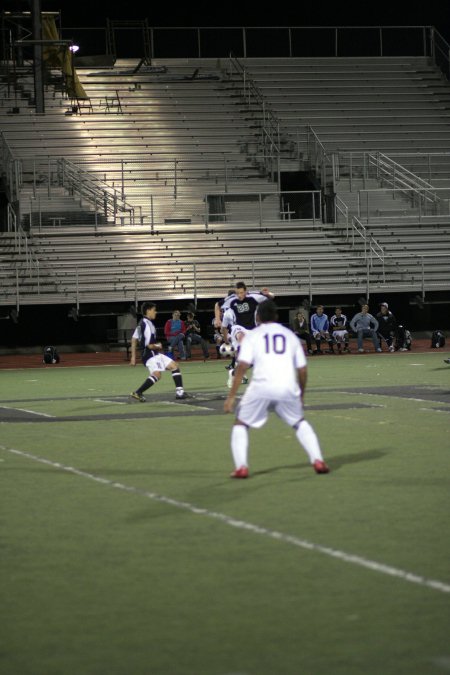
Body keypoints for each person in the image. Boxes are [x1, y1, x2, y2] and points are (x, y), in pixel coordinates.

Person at [224, 299, 330, 478]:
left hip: (261, 387)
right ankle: (318, 460)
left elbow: (242, 367)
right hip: (286, 387)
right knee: (299, 422)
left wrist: (231, 397)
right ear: (276, 316)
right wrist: (301, 394)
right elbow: (302, 370)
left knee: (241, 423)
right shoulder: (290, 336)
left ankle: (242, 467)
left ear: (257, 317)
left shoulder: (253, 336)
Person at [129, 302, 188, 401]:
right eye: (154, 310)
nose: (155, 312)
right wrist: (158, 345)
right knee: (157, 374)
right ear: (148, 311)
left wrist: (133, 357)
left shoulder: (142, 323)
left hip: (152, 354)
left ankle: (180, 392)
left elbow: (134, 339)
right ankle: (138, 392)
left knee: (174, 366)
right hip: (149, 354)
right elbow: (149, 345)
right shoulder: (146, 324)